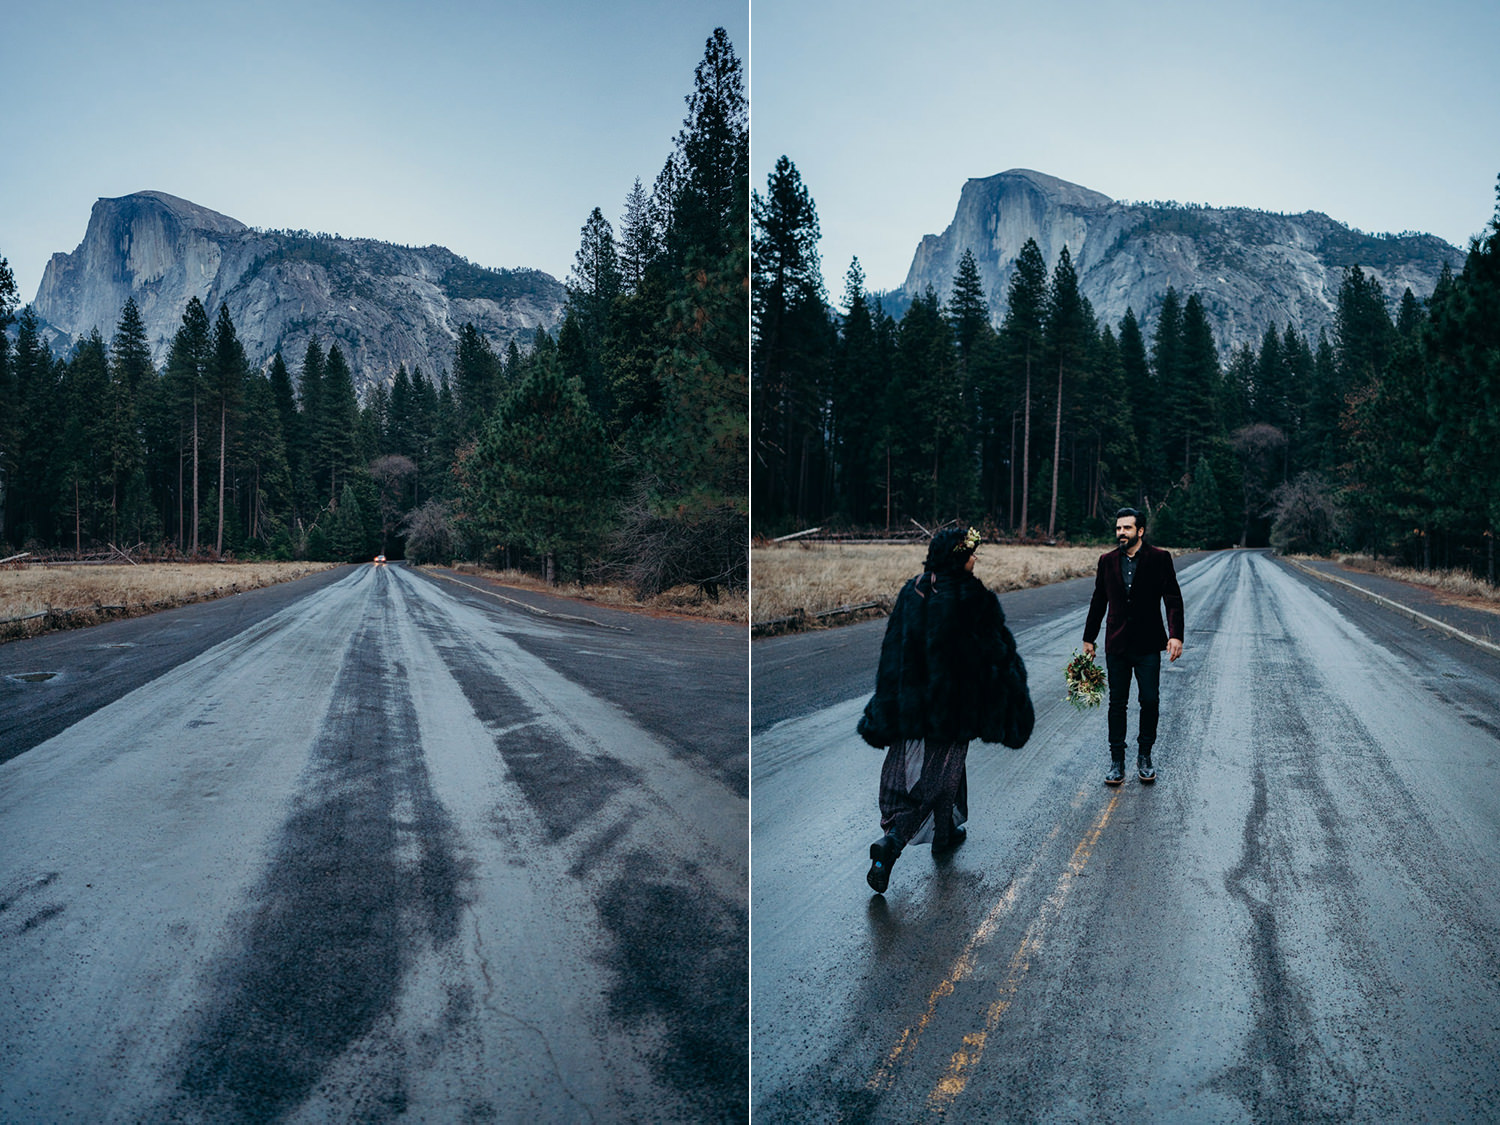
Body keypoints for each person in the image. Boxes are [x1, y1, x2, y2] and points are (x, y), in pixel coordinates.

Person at [856, 526, 1034, 894]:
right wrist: (1013, 701)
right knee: (937, 779)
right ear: (958, 556)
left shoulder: (913, 589)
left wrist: (886, 704)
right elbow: (998, 657)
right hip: (954, 712)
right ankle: (892, 844)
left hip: (911, 707)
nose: (975, 559)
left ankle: (945, 831)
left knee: (909, 773)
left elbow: (892, 652)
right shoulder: (974, 596)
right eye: (972, 553)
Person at [1082, 507, 1184, 786]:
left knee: (1149, 701)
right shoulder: (1106, 561)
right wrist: (1089, 638)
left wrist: (1176, 635)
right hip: (1117, 644)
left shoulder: (1160, 559)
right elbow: (1098, 601)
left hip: (1149, 644)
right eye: (1118, 528)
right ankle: (1117, 760)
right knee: (1117, 703)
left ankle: (1145, 757)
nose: (1121, 533)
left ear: (1140, 531)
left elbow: (1172, 598)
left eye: (1126, 528)